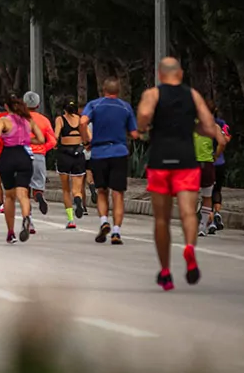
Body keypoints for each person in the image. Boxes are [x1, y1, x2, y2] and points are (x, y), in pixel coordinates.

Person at [137, 57, 225, 291]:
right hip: (187, 160)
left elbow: (143, 120)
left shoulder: (153, 95)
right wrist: (190, 126)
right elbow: (208, 127)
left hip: (160, 160)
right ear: (181, 74)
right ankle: (189, 249)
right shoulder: (193, 95)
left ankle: (165, 272)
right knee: (188, 212)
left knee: (162, 219)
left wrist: (147, 126)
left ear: (159, 74)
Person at [80, 77, 140, 244]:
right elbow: (135, 134)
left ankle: (104, 221)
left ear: (103, 90)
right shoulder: (125, 107)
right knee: (118, 193)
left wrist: (86, 141)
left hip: (99, 153)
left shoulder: (94, 105)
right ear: (118, 91)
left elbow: (83, 122)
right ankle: (116, 232)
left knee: (102, 191)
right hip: (119, 152)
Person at [0, 96, 44, 244]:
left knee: (9, 196)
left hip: (8, 156)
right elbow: (41, 139)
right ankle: (26, 217)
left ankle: (10, 232)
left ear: (7, 107)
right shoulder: (28, 120)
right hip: (24, 157)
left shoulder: (4, 120)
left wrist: (0, 140)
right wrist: (27, 139)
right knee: (23, 193)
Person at [22, 92, 57, 220]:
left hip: (22, 156)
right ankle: (39, 196)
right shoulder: (44, 120)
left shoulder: (19, 119)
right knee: (37, 187)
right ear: (37, 105)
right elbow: (53, 141)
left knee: (23, 190)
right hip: (38, 156)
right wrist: (43, 149)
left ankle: (28, 218)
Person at [54, 100, 88, 229]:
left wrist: (54, 145)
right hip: (78, 155)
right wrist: (83, 145)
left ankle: (71, 219)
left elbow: (56, 135)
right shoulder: (80, 120)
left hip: (64, 155)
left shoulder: (60, 119)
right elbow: (88, 137)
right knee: (77, 189)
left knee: (65, 189)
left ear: (64, 110)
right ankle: (78, 200)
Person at [195, 116, 225, 237]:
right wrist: (216, 155)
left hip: (192, 164)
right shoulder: (215, 126)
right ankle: (202, 226)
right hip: (208, 163)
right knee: (207, 196)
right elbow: (222, 142)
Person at [211, 106, 231, 231]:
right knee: (217, 189)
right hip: (220, 162)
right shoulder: (222, 124)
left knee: (206, 193)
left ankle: (210, 219)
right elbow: (227, 138)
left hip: (206, 162)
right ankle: (217, 213)